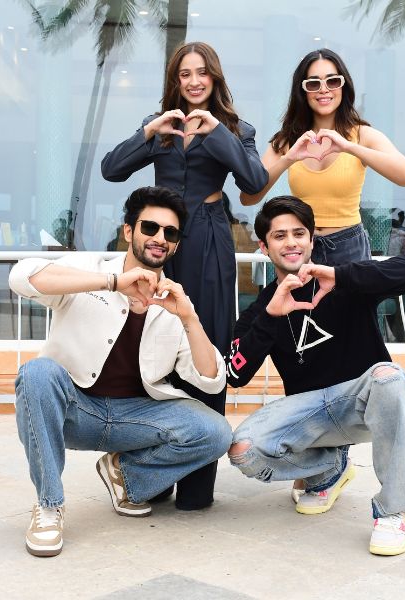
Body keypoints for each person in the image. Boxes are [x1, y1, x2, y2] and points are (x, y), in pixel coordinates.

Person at [9, 186, 231, 557]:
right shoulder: (91, 272)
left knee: (216, 432)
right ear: (129, 231)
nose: (159, 238)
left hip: (134, 419)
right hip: (76, 410)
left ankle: (124, 477)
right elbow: (22, 277)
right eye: (150, 227)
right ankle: (49, 506)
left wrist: (189, 318)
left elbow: (211, 379)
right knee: (37, 373)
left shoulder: (173, 301)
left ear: (176, 244)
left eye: (170, 233)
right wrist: (113, 283)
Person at [101, 41, 268, 510]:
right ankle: (151, 477)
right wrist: (149, 133)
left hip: (210, 239)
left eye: (202, 73)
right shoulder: (160, 125)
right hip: (161, 243)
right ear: (175, 80)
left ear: (215, 77)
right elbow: (111, 169)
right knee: (151, 344)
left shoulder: (236, 129)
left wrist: (217, 133)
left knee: (206, 343)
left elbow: (255, 182)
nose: (194, 82)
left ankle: (197, 485)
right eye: (184, 74)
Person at [225, 196, 405, 556]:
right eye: (279, 236)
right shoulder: (262, 307)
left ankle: (394, 510)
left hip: (362, 402)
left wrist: (342, 275)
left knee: (389, 376)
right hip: (311, 415)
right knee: (244, 450)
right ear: (264, 246)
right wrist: (270, 317)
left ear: (311, 241)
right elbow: (236, 374)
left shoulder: (345, 279)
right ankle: (329, 470)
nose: (291, 242)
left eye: (299, 234)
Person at [239, 48, 405, 266]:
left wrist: (349, 147)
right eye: (314, 84)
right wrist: (288, 159)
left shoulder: (362, 135)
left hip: (350, 248)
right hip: (303, 248)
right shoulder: (288, 140)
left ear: (343, 86)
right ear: (303, 91)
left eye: (332, 81)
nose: (324, 89)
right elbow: (248, 197)